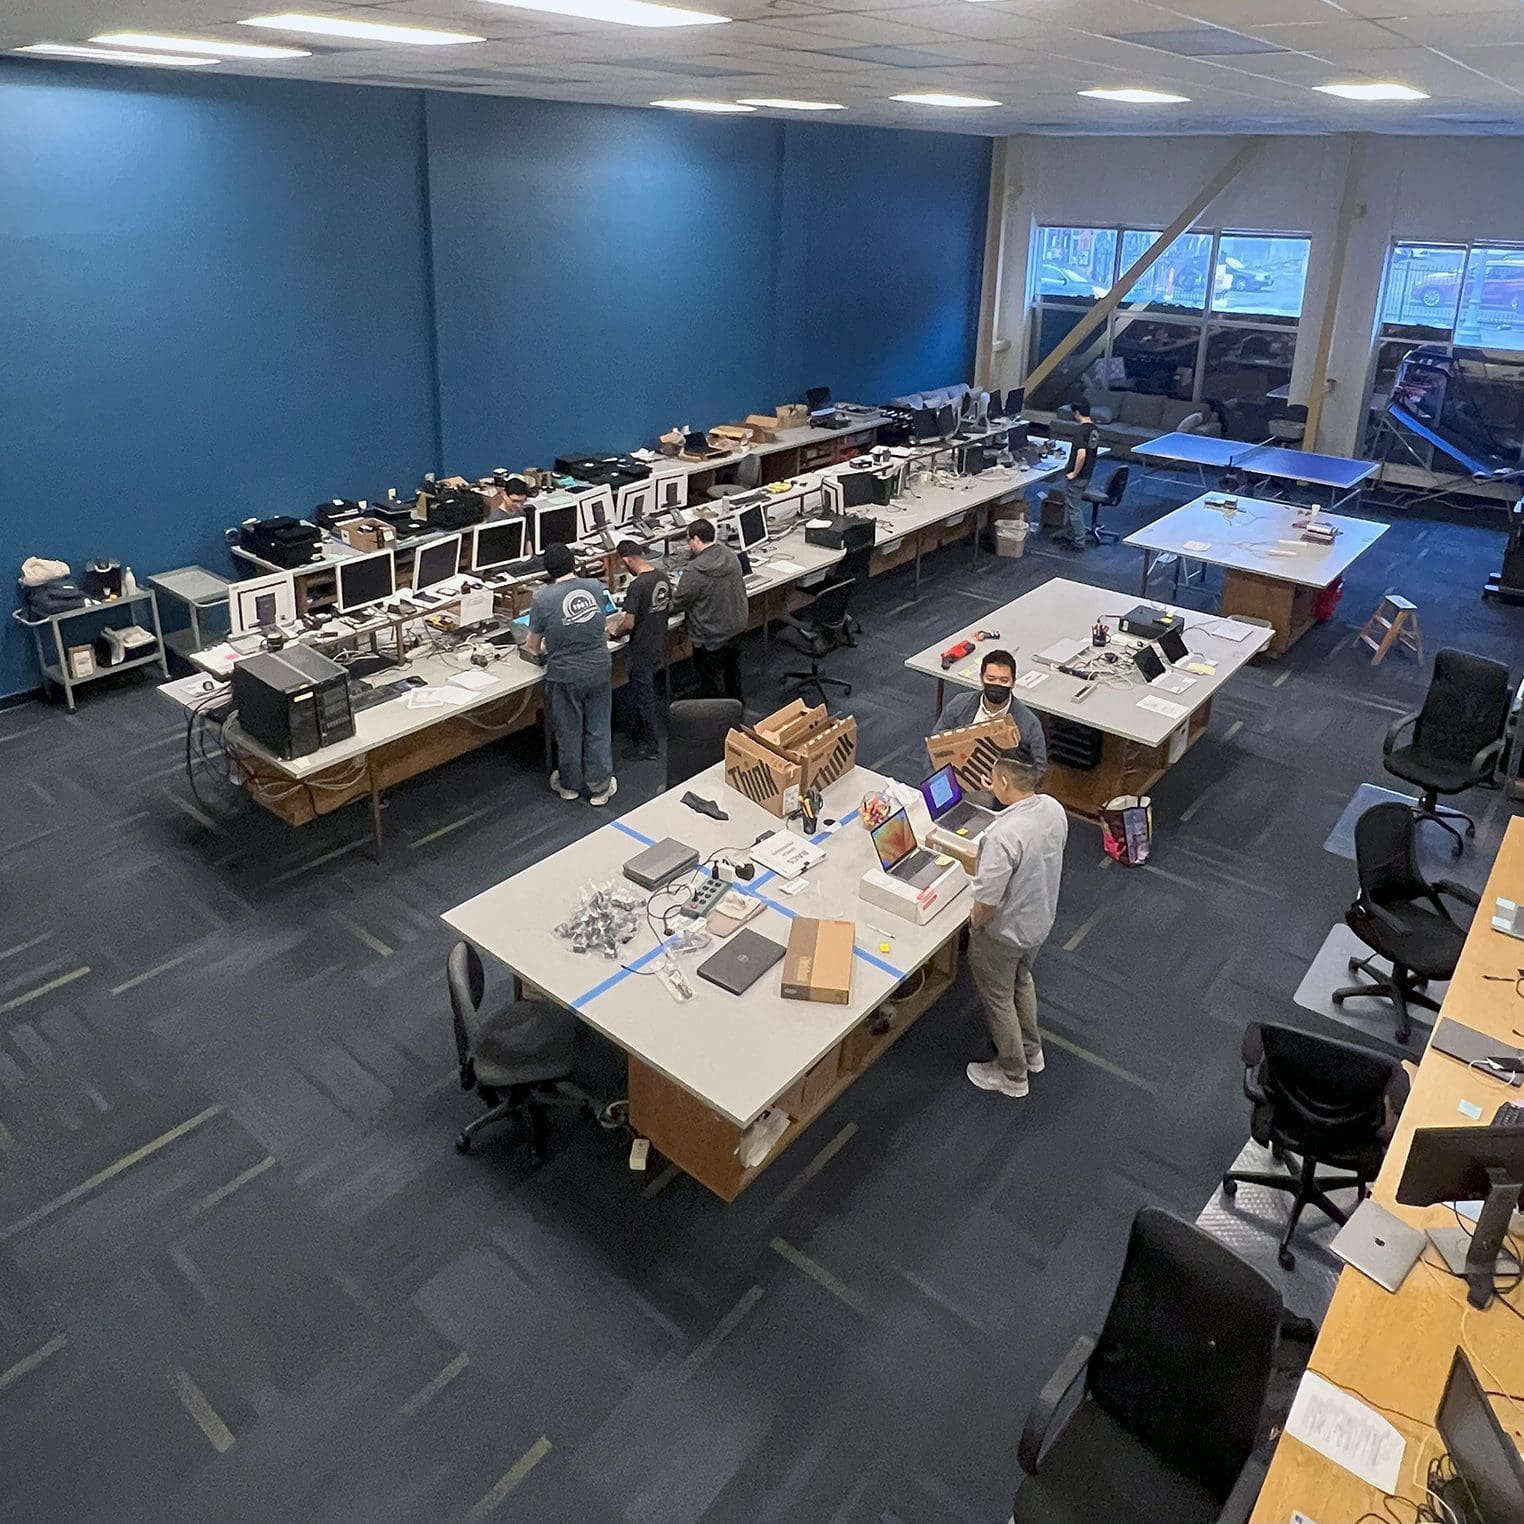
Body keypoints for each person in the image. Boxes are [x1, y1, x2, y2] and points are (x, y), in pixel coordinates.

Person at [966, 754, 1068, 1098]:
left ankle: (1012, 1075)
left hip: (1004, 934)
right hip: (1039, 921)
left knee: (998, 998)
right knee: (1022, 981)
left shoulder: (1002, 836)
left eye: (995, 779)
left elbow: (987, 903)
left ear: (1004, 783)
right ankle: (1032, 1051)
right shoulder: (1053, 808)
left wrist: (975, 926)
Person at [525, 542, 616, 806]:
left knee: (568, 731)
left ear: (547, 570)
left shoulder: (542, 598)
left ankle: (569, 786)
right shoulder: (596, 588)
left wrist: (543, 644)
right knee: (598, 729)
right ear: (574, 563)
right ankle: (599, 789)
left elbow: (533, 645)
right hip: (598, 669)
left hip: (564, 675)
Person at [930, 649, 1047, 808]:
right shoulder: (959, 705)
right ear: (981, 679)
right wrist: (938, 790)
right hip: (954, 785)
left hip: (999, 799)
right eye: (991, 678)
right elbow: (935, 746)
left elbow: (1038, 771)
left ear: (1013, 682)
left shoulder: (1029, 723)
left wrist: (1003, 790)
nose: (997, 685)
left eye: (1004, 680)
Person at [608, 538, 671, 761]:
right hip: (658, 643)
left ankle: (650, 746)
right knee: (646, 692)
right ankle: (640, 731)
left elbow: (629, 623)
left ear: (627, 560)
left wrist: (614, 629)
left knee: (644, 697)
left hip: (641, 648)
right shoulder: (662, 577)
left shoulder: (637, 586)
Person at [672, 517, 748, 704]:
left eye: (689, 540)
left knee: (710, 681)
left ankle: (714, 716)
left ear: (697, 540)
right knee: (732, 671)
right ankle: (736, 707)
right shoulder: (730, 555)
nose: (689, 545)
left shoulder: (695, 570)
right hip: (736, 628)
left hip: (710, 636)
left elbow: (678, 603)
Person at [1030, 396, 1099, 552]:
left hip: (1078, 476)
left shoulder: (1080, 431)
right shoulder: (1094, 429)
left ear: (1076, 413)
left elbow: (1081, 454)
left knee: (1074, 508)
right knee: (1072, 505)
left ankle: (1079, 542)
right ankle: (1071, 533)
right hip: (1087, 474)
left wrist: (1073, 473)